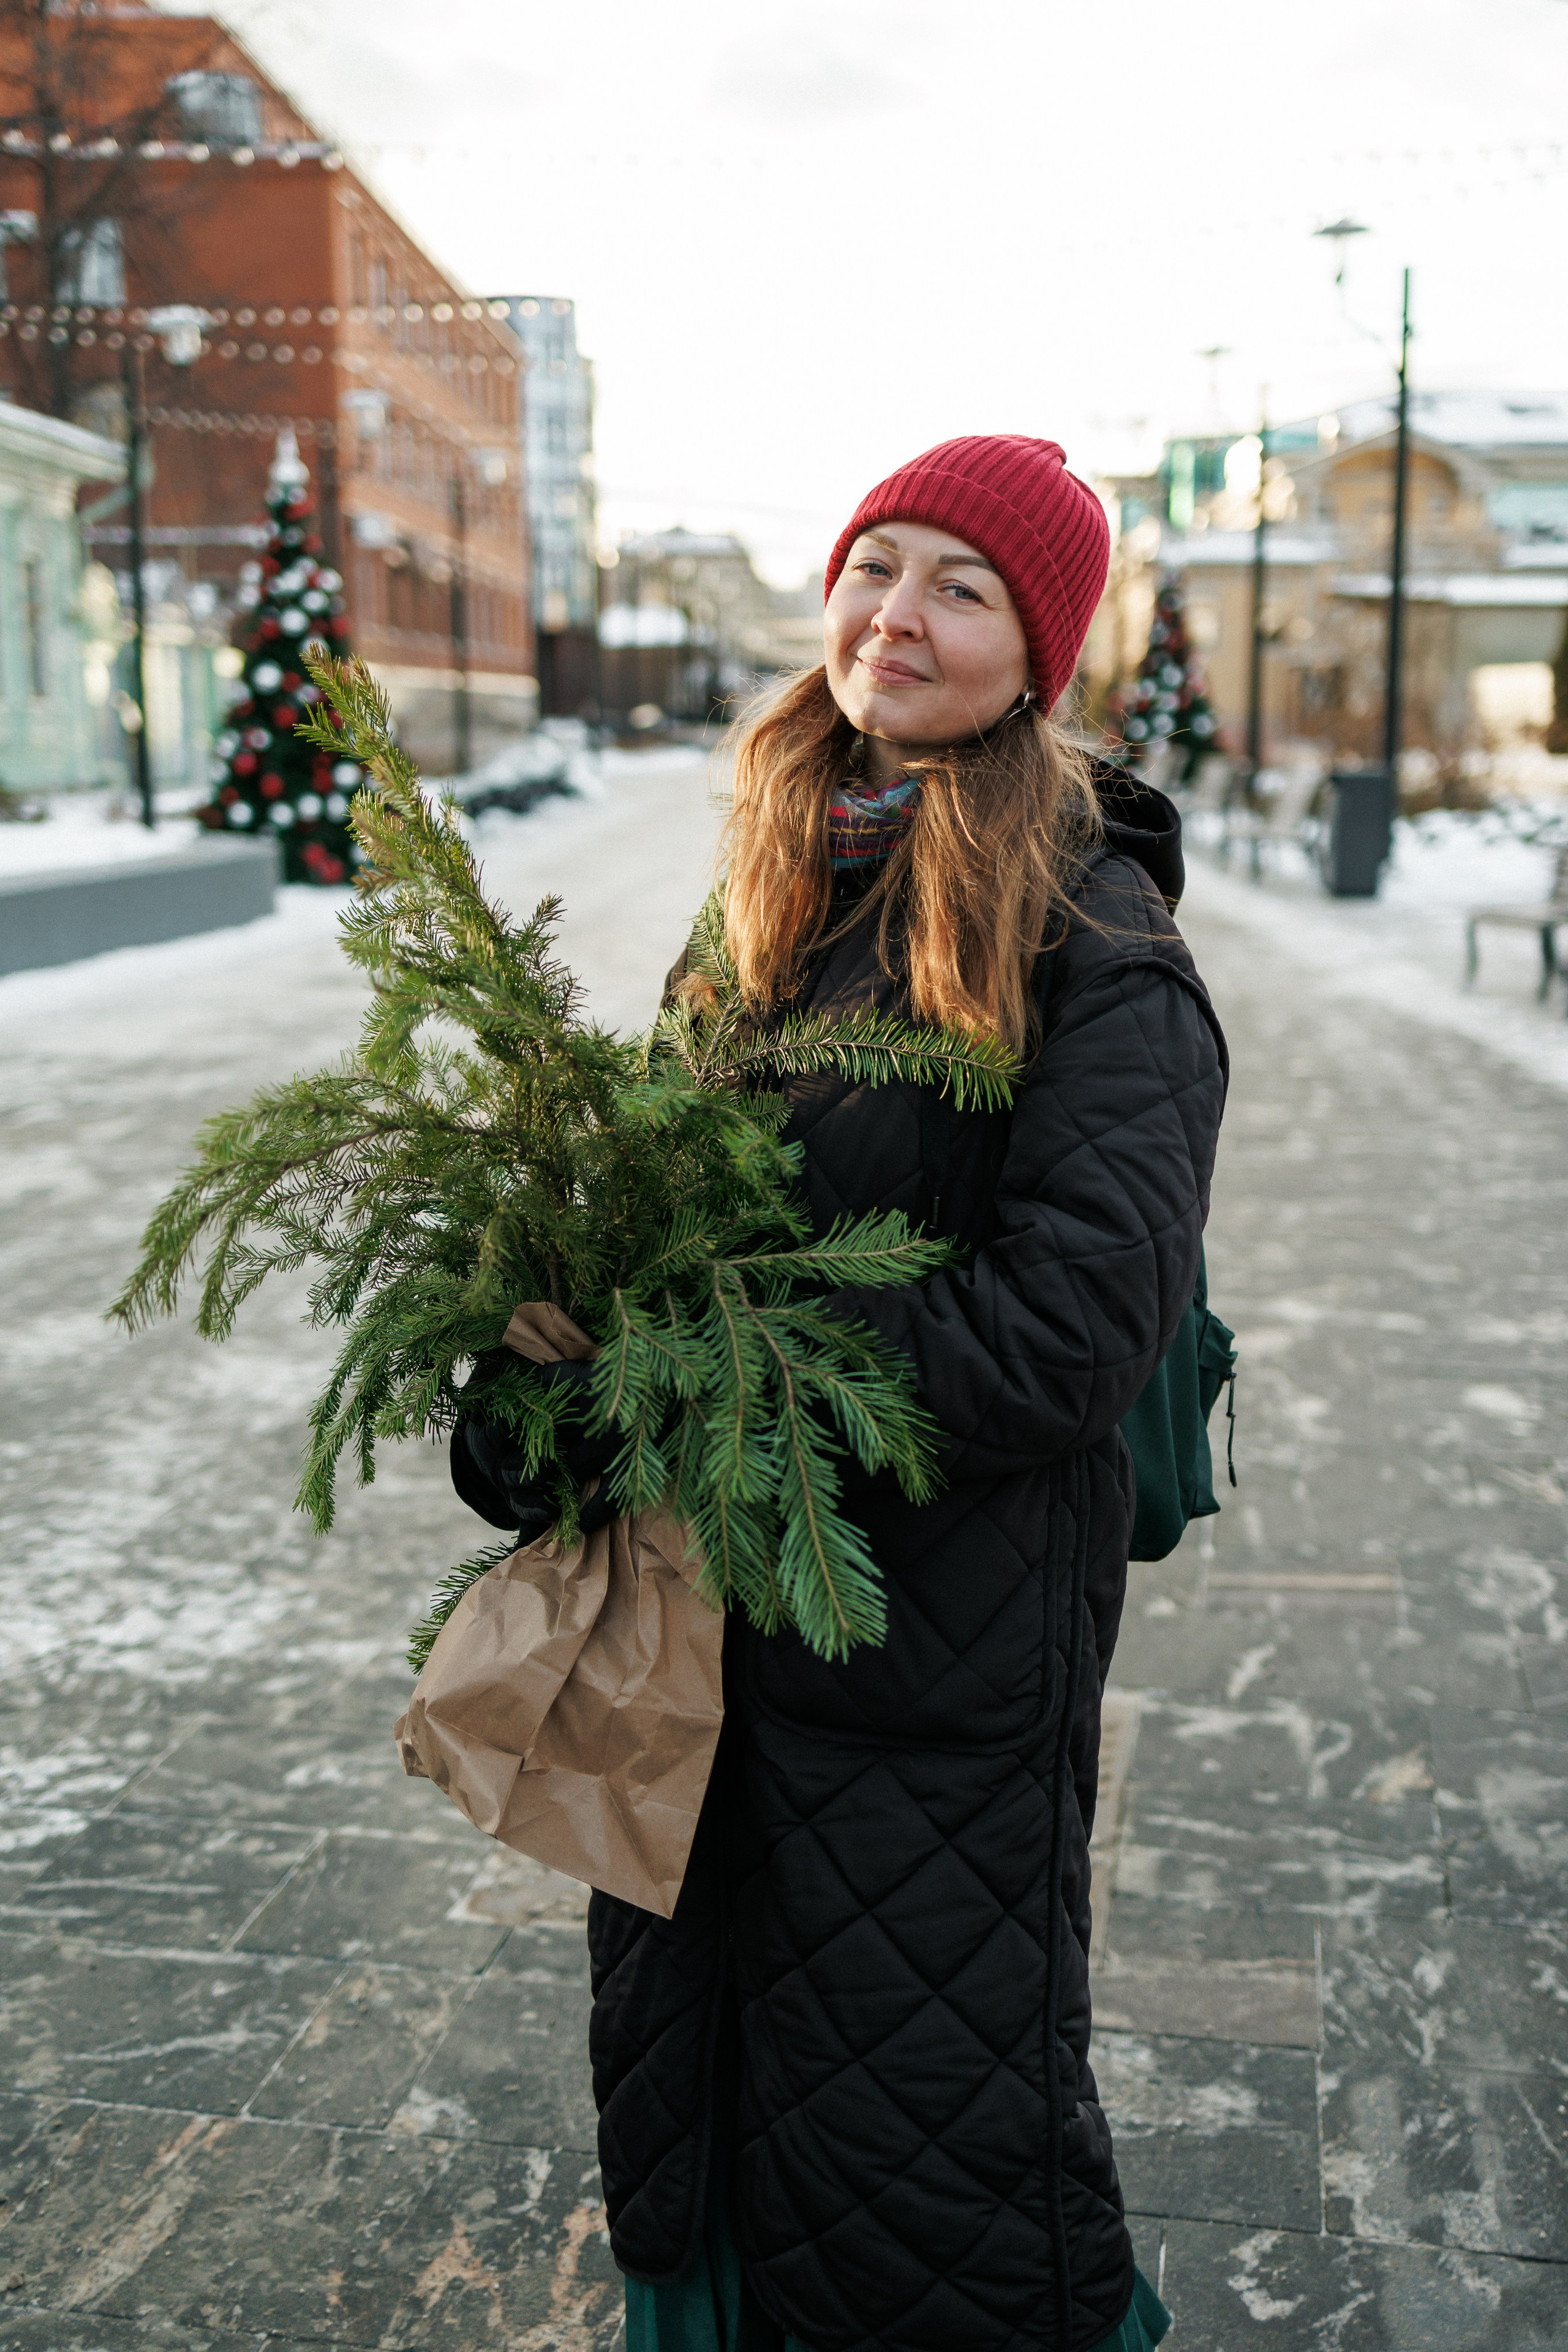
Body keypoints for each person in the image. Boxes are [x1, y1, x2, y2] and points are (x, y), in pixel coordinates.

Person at [454, 434, 1227, 2352]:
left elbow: (1068, 1328)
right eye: (879, 564)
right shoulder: (768, 901)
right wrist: (541, 1381)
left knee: (937, 2157)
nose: (900, 615)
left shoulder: (1102, 949)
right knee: (694, 2100)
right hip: (706, 1648)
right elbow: (650, 1229)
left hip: (927, 1660)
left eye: (966, 586)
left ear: (1038, 654)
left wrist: (717, 1386)